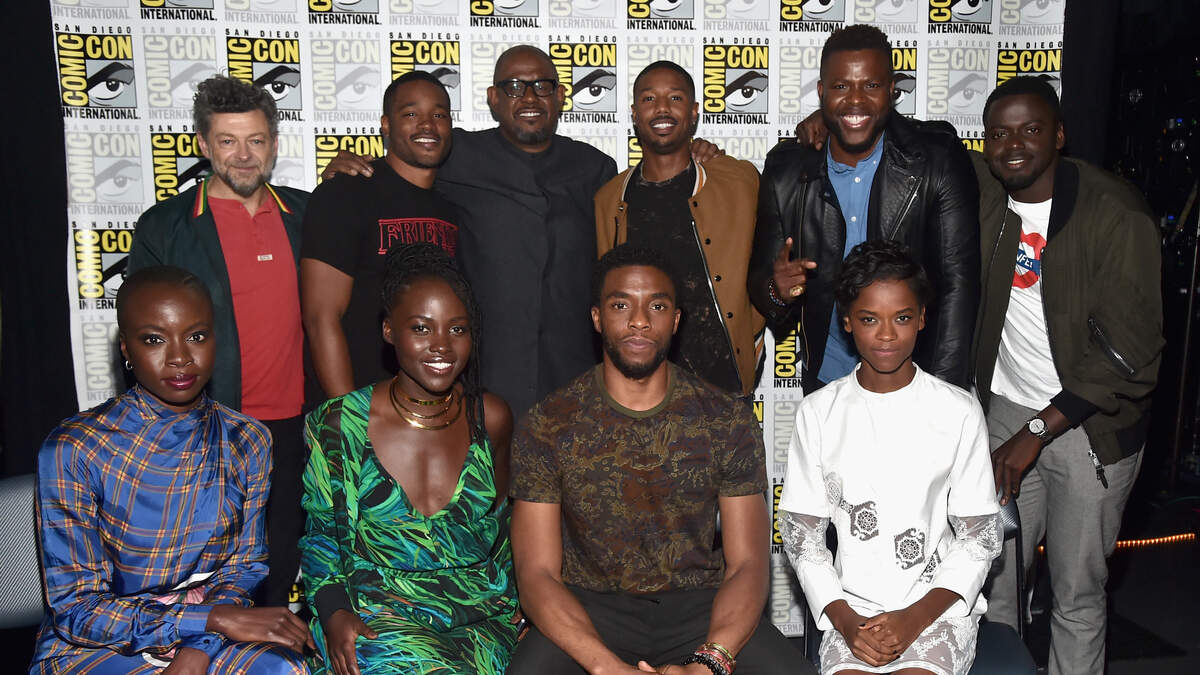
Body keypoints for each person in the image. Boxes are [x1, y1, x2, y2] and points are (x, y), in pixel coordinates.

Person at [507, 245, 802, 674]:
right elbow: (537, 575)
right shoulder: (548, 422)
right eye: (621, 305)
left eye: (657, 306)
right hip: (589, 609)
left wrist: (708, 663)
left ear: (676, 321)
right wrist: (607, 668)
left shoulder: (725, 418)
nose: (640, 320)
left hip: (700, 607)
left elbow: (748, 564)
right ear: (596, 318)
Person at [31, 266, 312, 675]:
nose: (180, 357)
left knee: (285, 668)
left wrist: (199, 645)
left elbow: (243, 570)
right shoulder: (75, 449)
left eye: (196, 336)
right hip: (97, 644)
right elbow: (77, 610)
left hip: (209, 633)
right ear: (126, 349)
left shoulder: (247, 440)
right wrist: (206, 621)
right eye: (154, 339)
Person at [973, 77, 1162, 675]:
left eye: (1031, 130)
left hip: (1088, 427)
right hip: (1005, 410)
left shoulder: (1115, 213)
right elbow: (919, 139)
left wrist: (1037, 431)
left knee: (1077, 593)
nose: (1013, 146)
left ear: (1059, 135)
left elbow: (1132, 352)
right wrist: (822, 126)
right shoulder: (988, 189)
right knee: (994, 584)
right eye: (999, 134)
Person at [320, 45, 618, 416]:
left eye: (542, 86)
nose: (529, 97)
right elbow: (405, 164)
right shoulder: (456, 153)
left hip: (573, 375)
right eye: (513, 86)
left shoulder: (596, 168)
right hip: (486, 378)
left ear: (560, 96)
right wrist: (347, 169)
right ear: (493, 98)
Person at [127, 74, 309, 607]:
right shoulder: (165, 226)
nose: (244, 155)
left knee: (282, 560)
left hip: (297, 426)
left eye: (256, 140)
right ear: (203, 145)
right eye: (228, 141)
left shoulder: (309, 215)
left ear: (274, 144)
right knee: (204, 571)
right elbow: (143, 333)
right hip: (208, 424)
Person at [779, 240, 1001, 675]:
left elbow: (978, 537)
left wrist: (914, 618)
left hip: (937, 610)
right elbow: (803, 536)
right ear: (847, 321)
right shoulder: (818, 412)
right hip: (851, 612)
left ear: (922, 318)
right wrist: (846, 622)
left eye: (901, 317)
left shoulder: (957, 410)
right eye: (869, 319)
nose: (886, 334)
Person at [299, 243, 520, 675]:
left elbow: (504, 524)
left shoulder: (490, 417)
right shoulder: (340, 423)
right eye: (421, 328)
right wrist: (333, 611)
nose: (442, 346)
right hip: (379, 610)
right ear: (389, 331)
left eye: (457, 329)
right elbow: (321, 535)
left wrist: (525, 602)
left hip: (479, 613)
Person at [748, 24, 979, 393]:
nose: (855, 100)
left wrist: (944, 393)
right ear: (822, 93)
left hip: (916, 378)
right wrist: (778, 289)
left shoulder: (936, 160)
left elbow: (958, 285)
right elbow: (763, 284)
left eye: (871, 85)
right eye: (841, 86)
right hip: (829, 380)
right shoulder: (787, 170)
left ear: (891, 90)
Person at [595, 61, 764, 396]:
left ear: (694, 111)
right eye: (649, 99)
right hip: (642, 388)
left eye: (675, 98)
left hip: (724, 385)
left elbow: (765, 270)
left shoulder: (740, 182)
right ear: (634, 113)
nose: (662, 108)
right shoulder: (609, 199)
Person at [301, 71, 460, 401]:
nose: (427, 125)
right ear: (386, 125)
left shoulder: (452, 206)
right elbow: (320, 318)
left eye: (439, 115)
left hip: (426, 410)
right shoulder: (345, 193)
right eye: (411, 114)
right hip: (358, 404)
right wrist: (349, 412)